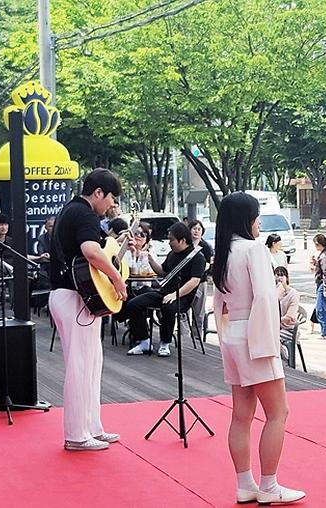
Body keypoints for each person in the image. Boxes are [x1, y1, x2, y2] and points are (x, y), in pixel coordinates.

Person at [212, 191, 305, 505]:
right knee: (278, 412)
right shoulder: (254, 249)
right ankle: (269, 485)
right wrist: (270, 340)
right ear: (247, 218)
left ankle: (245, 484)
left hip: (232, 333)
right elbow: (266, 297)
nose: (260, 222)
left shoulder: (223, 251)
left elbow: (219, 303)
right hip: (255, 334)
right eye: (256, 215)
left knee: (241, 414)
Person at [49, 168, 127, 452]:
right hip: (74, 297)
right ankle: (76, 434)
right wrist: (117, 279)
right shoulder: (85, 214)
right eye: (110, 199)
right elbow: (91, 252)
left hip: (72, 297)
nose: (111, 206)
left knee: (92, 363)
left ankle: (92, 426)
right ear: (97, 193)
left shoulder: (70, 210)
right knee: (81, 366)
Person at [125, 222, 205, 357]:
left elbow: (194, 281)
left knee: (168, 307)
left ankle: (165, 343)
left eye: (172, 239)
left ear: (183, 240)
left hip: (183, 297)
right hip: (164, 293)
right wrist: (150, 260)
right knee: (134, 304)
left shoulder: (197, 257)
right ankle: (144, 341)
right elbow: (163, 272)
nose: (169, 242)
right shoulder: (172, 254)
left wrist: (175, 295)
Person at [188, 219, 214, 341]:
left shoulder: (205, 247)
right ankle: (185, 337)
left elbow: (208, 264)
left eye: (199, 229)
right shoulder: (186, 244)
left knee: (199, 312)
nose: (196, 231)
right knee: (184, 311)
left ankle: (197, 337)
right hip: (186, 282)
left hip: (201, 282)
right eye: (194, 229)